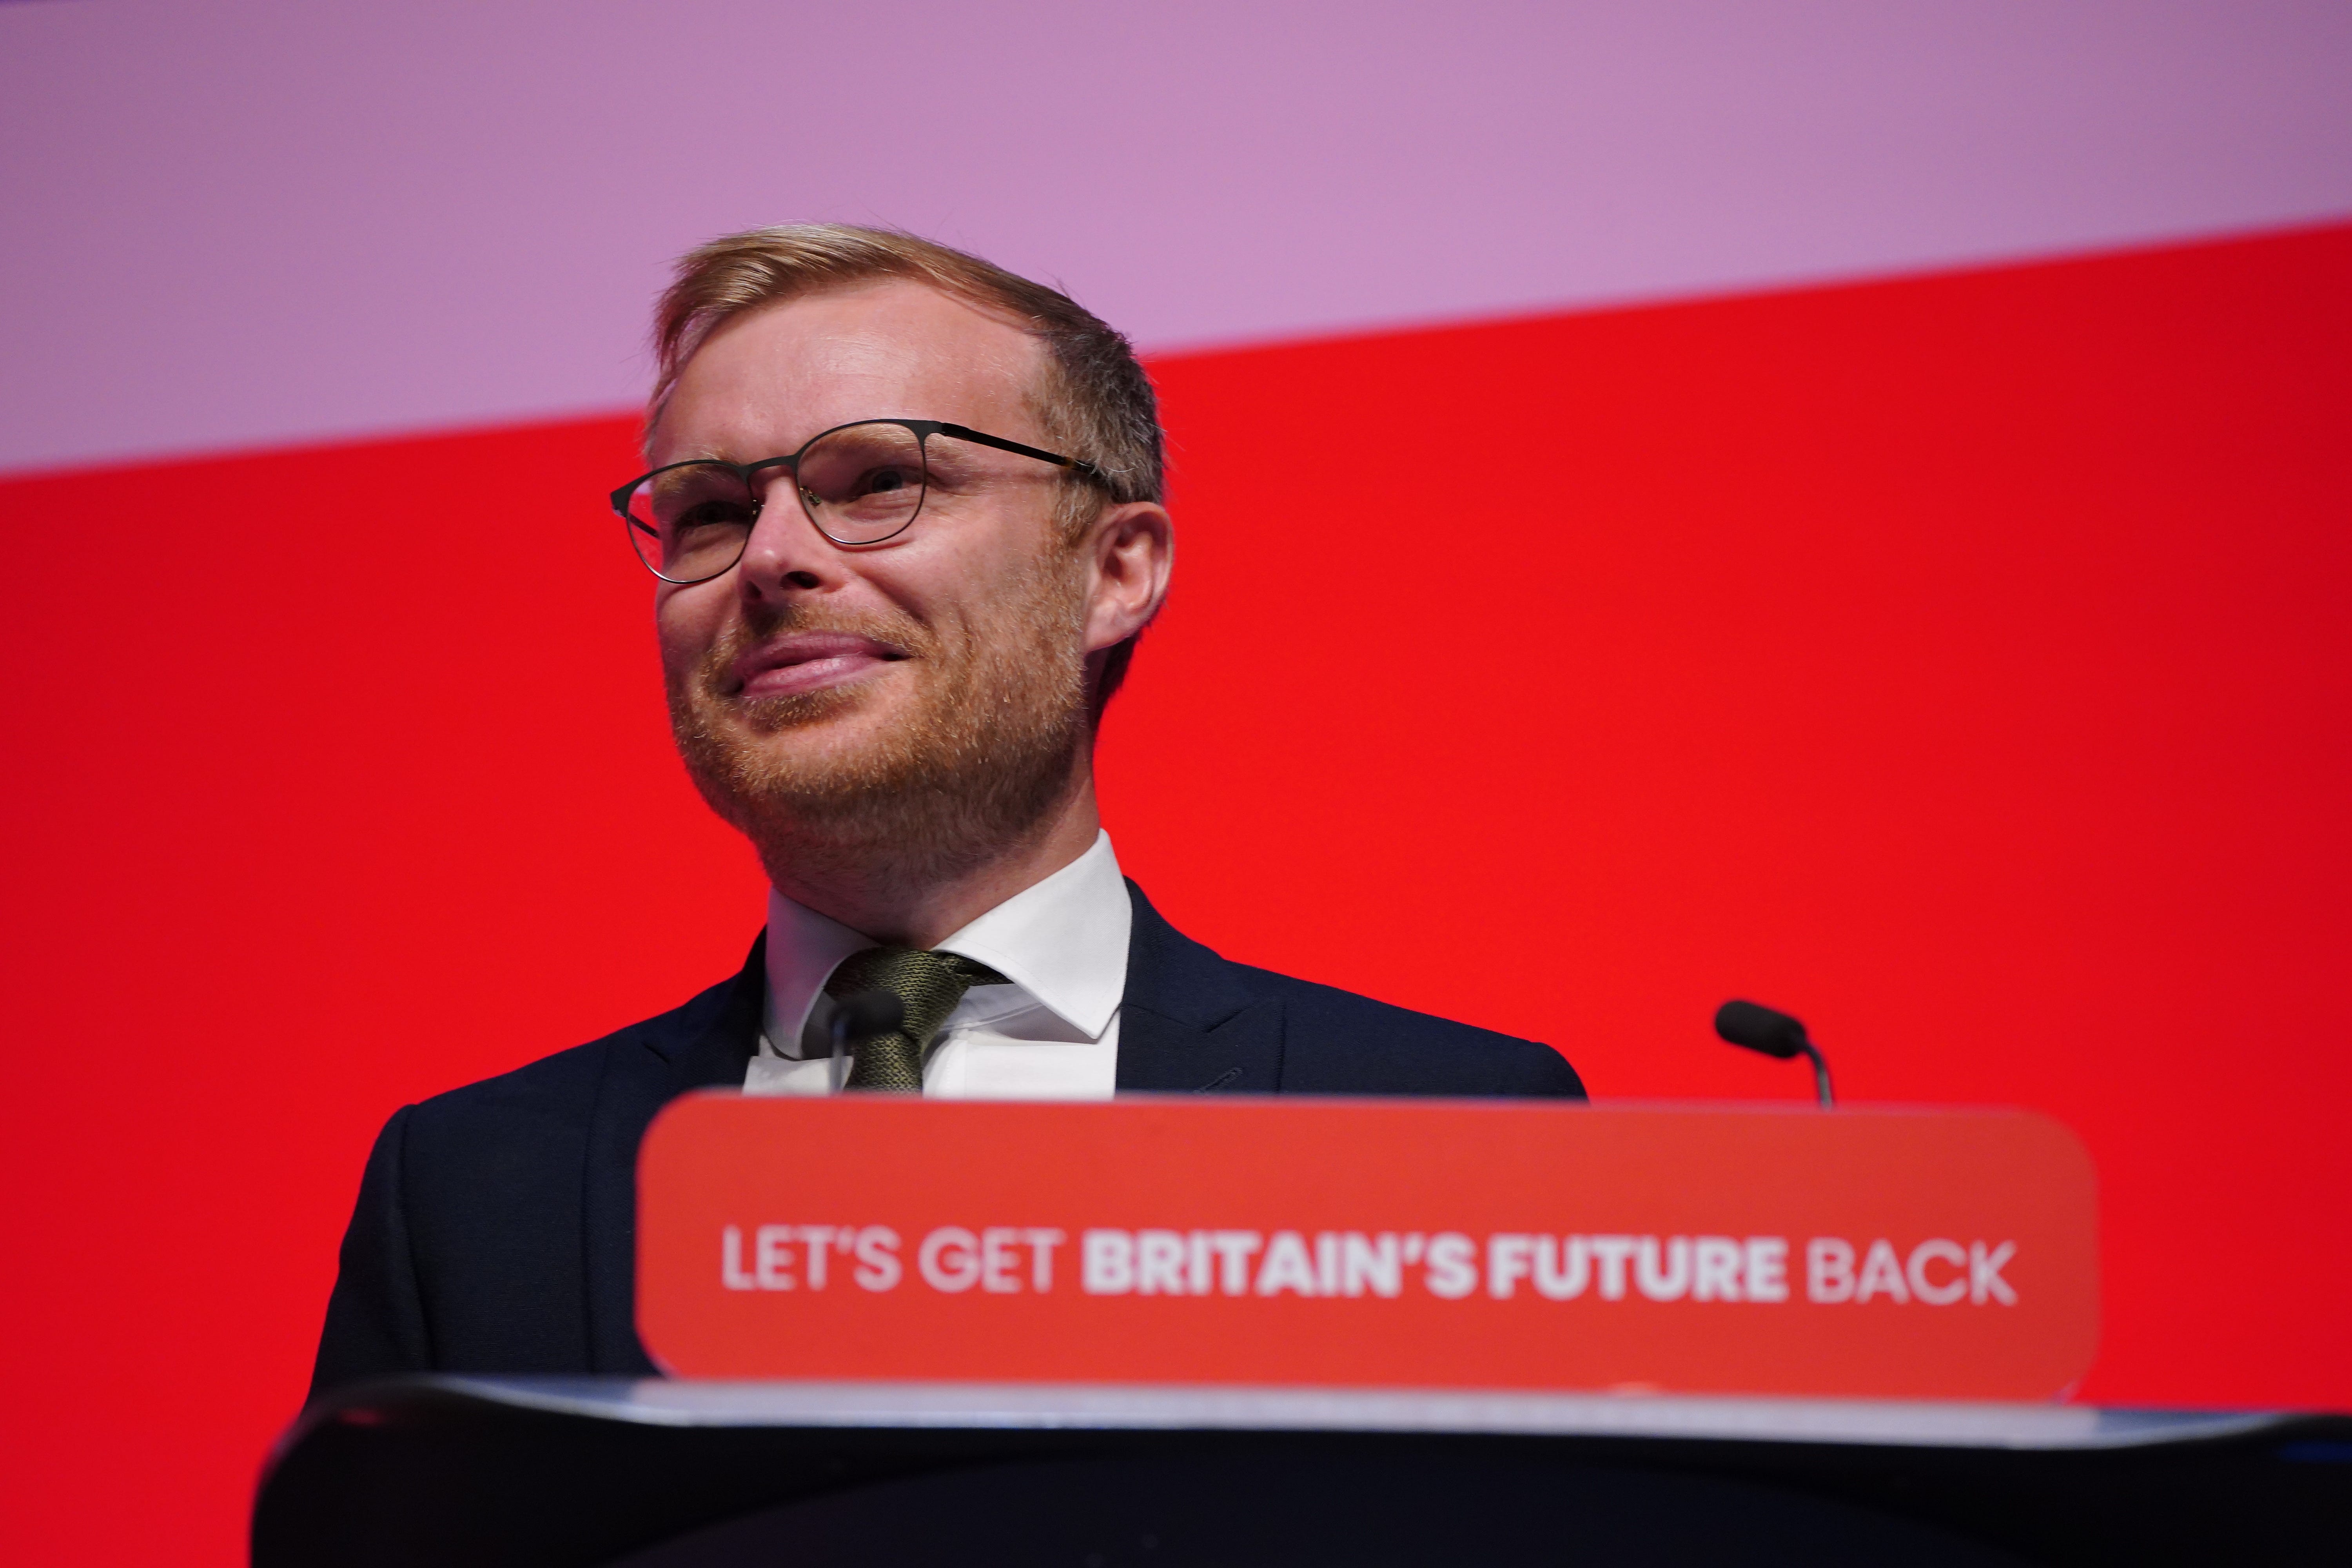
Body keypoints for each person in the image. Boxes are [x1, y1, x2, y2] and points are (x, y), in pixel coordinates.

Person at [311, 225, 1584, 1391]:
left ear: (1115, 571)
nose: (769, 557)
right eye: (708, 511)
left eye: (875, 483)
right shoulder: (473, 1192)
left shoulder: (1451, 1138)